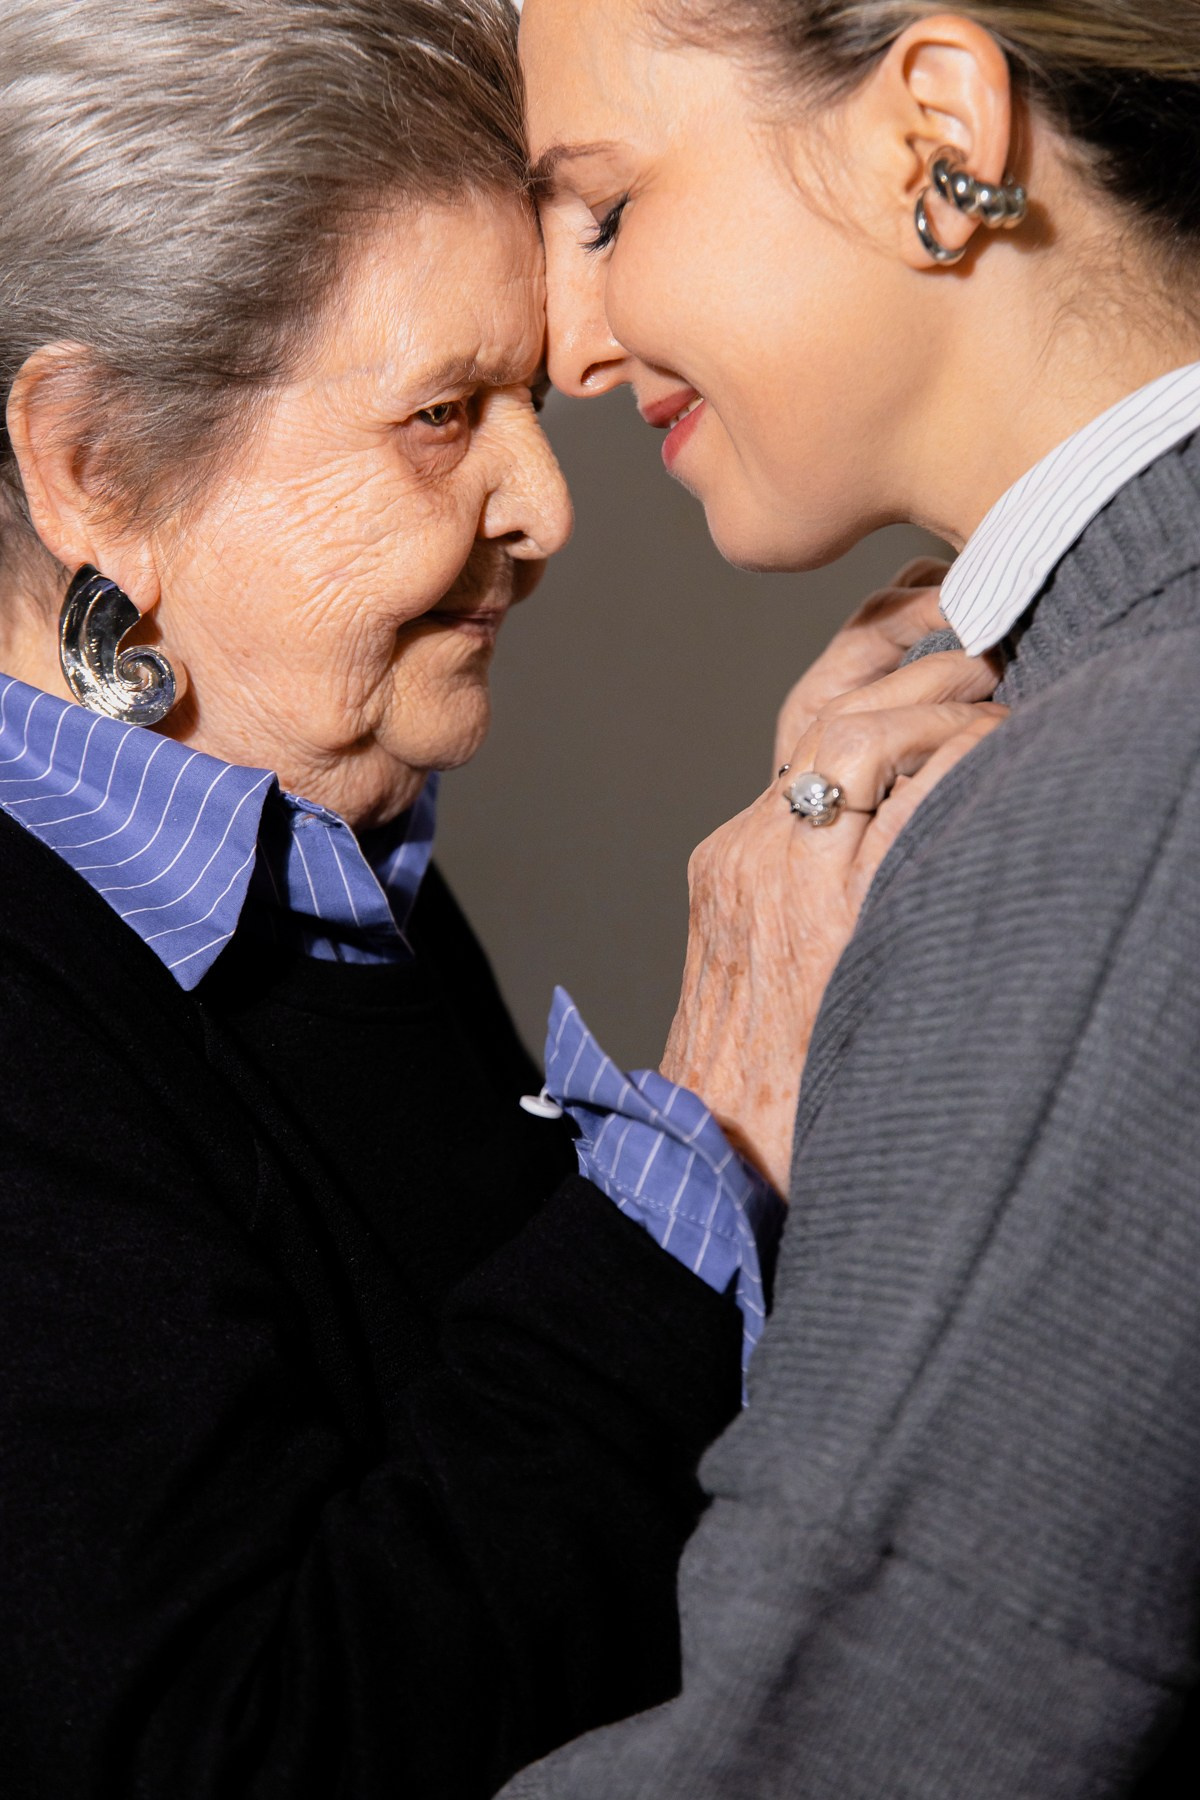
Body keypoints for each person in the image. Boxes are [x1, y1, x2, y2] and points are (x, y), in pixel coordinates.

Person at [0, 3, 1000, 1796]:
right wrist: (710, 1116)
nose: (543, 503)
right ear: (95, 464)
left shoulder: (318, 877)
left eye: (528, 403)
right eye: (443, 415)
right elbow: (250, 1752)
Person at [506, 0, 1200, 1793]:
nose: (567, 344)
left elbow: (834, 1742)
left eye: (608, 209)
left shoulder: (1122, 782)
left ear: (935, 135)